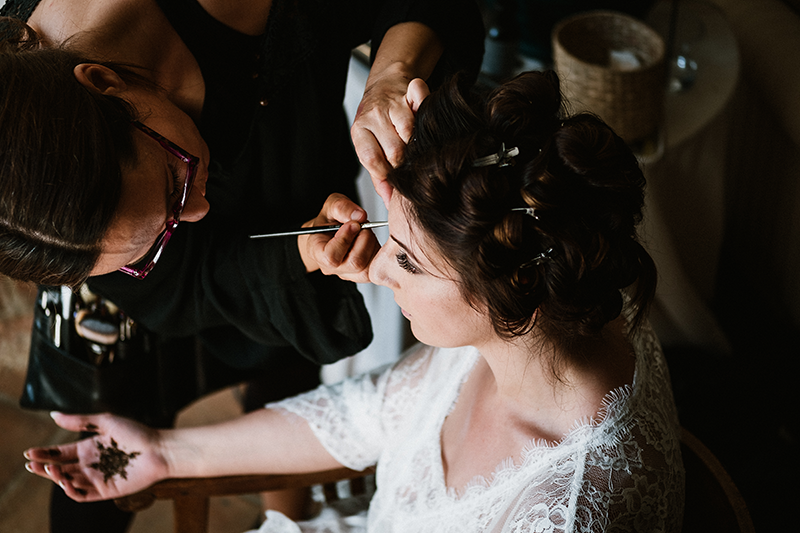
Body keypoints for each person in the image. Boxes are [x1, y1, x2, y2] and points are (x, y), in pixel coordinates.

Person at [24, 70, 685, 532]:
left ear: (511, 291)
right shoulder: (552, 314)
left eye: (406, 260)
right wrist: (166, 452)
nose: (378, 272)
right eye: (389, 239)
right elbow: (366, 414)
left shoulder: (564, 514)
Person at [0, 0, 484, 530]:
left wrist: (392, 73)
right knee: (105, 440)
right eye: (158, 233)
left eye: (173, 181)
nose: (199, 212)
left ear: (103, 82)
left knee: (282, 365)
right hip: (137, 301)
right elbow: (182, 278)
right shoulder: (61, 215)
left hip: (283, 191)